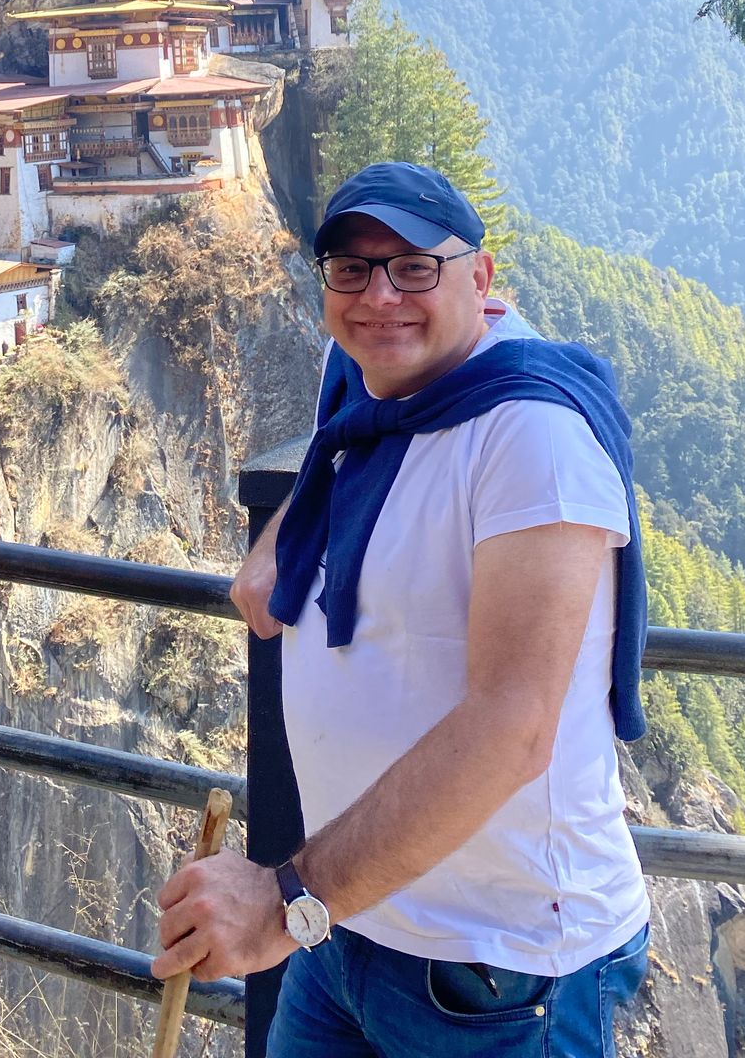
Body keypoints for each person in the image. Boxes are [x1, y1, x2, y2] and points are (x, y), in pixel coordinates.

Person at [152, 161, 650, 1057]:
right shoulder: (373, 386)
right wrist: (288, 535)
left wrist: (289, 901)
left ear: (482, 282)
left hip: (495, 975)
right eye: (352, 269)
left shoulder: (530, 434)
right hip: (352, 929)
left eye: (414, 266)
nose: (380, 296)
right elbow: (344, 441)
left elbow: (513, 726)